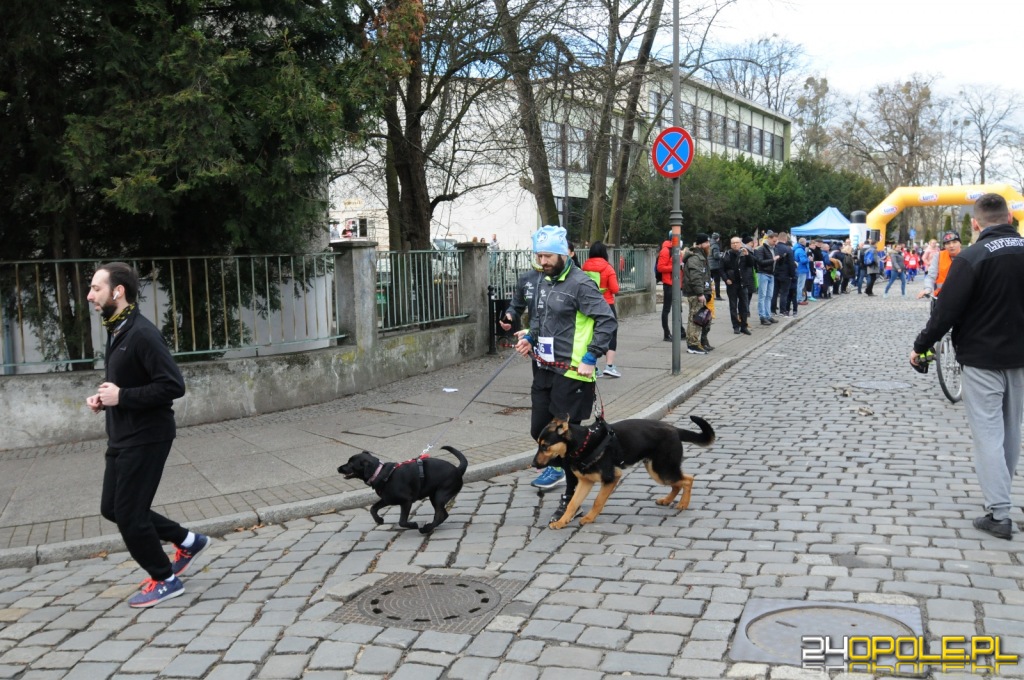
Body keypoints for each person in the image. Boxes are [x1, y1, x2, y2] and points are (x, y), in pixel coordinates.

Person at [85, 262, 211, 607]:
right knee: (112, 508)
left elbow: (172, 385)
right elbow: (129, 382)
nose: (90, 295)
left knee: (130, 515)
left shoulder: (142, 333)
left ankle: (165, 578)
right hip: (122, 434)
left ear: (118, 291)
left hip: (147, 436)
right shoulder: (118, 330)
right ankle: (188, 541)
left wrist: (122, 397)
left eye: (96, 288)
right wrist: (106, 399)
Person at [910, 193, 1024, 540]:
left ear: (976, 223)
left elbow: (946, 311)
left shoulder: (972, 258)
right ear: (1009, 218)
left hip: (981, 358)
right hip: (1020, 358)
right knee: (1012, 430)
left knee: (988, 432)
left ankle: (999, 513)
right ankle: (1000, 502)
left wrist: (921, 346)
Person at [514, 226, 616, 523]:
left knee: (568, 442)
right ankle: (562, 473)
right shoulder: (543, 281)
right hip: (544, 367)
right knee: (538, 431)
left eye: (547, 256)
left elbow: (607, 320)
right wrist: (529, 339)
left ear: (563, 254)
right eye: (539, 256)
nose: (542, 261)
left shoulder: (581, 284)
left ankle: (571, 498)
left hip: (573, 372)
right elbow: (539, 319)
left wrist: (591, 356)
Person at [582, 241, 622, 377]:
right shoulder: (608, 268)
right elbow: (615, 288)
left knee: (591, 334)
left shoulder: (584, 267)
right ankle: (609, 366)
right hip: (607, 304)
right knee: (611, 333)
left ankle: (593, 366)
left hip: (589, 305)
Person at [683, 233, 713, 353]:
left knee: (703, 318)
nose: (709, 245)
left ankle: (698, 342)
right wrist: (700, 293)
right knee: (695, 319)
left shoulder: (701, 256)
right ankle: (692, 345)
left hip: (702, 293)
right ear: (701, 244)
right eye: (707, 242)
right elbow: (695, 277)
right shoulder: (695, 258)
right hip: (696, 294)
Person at [720, 235, 755, 335]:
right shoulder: (726, 255)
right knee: (733, 306)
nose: (735, 244)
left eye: (737, 243)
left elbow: (751, 264)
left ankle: (744, 326)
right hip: (732, 284)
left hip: (743, 283)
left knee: (744, 305)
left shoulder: (744, 253)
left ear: (740, 244)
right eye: (733, 243)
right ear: (731, 245)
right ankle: (736, 326)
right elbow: (721, 269)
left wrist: (747, 255)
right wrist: (726, 279)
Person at [917, 231, 963, 299]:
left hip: (963, 296)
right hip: (942, 296)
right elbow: (931, 276)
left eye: (954, 242)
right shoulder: (938, 256)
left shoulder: (968, 255)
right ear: (944, 246)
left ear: (960, 243)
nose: (951, 245)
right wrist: (927, 289)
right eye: (948, 243)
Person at [656, 232, 681, 342]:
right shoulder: (666, 250)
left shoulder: (675, 250)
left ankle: (680, 330)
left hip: (676, 283)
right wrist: (675, 267)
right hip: (669, 284)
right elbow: (660, 268)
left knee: (678, 309)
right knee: (667, 309)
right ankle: (666, 333)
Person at [753, 231, 779, 324]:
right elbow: (760, 262)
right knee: (762, 296)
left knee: (769, 296)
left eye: (776, 241)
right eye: (774, 241)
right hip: (763, 273)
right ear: (769, 239)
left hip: (771, 274)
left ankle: (768, 315)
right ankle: (762, 316)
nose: (775, 243)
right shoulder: (761, 249)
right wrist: (773, 260)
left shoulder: (774, 249)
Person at [709, 233, 724, 300]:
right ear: (717, 238)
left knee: (709, 281)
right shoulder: (715, 245)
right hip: (715, 266)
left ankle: (709, 294)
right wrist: (722, 255)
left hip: (709, 265)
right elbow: (716, 256)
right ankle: (717, 295)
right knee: (717, 281)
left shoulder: (709, 244)